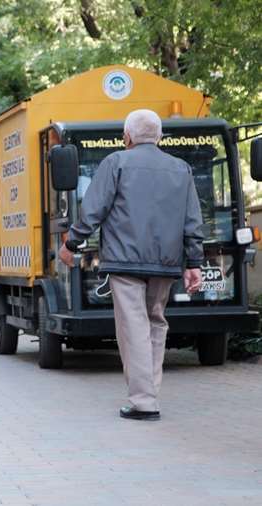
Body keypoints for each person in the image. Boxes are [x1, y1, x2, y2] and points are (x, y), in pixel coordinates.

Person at [59, 109, 203, 422]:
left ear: (127, 138)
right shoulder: (181, 169)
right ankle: (149, 393)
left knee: (133, 327)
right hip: (165, 263)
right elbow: (193, 220)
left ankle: (144, 402)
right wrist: (194, 262)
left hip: (124, 262)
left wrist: (71, 243)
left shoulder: (116, 162)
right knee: (155, 322)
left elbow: (93, 210)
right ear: (160, 137)